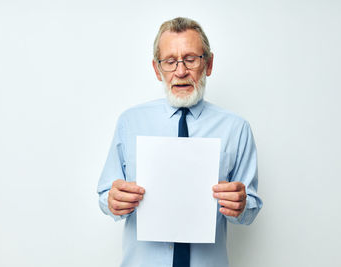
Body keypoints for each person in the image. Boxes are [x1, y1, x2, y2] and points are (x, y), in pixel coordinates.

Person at [97, 17, 262, 267]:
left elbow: (250, 207)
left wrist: (242, 205)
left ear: (208, 64)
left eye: (191, 59)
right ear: (157, 69)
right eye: (170, 61)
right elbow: (104, 195)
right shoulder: (129, 122)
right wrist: (112, 200)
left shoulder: (236, 128)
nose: (181, 71)